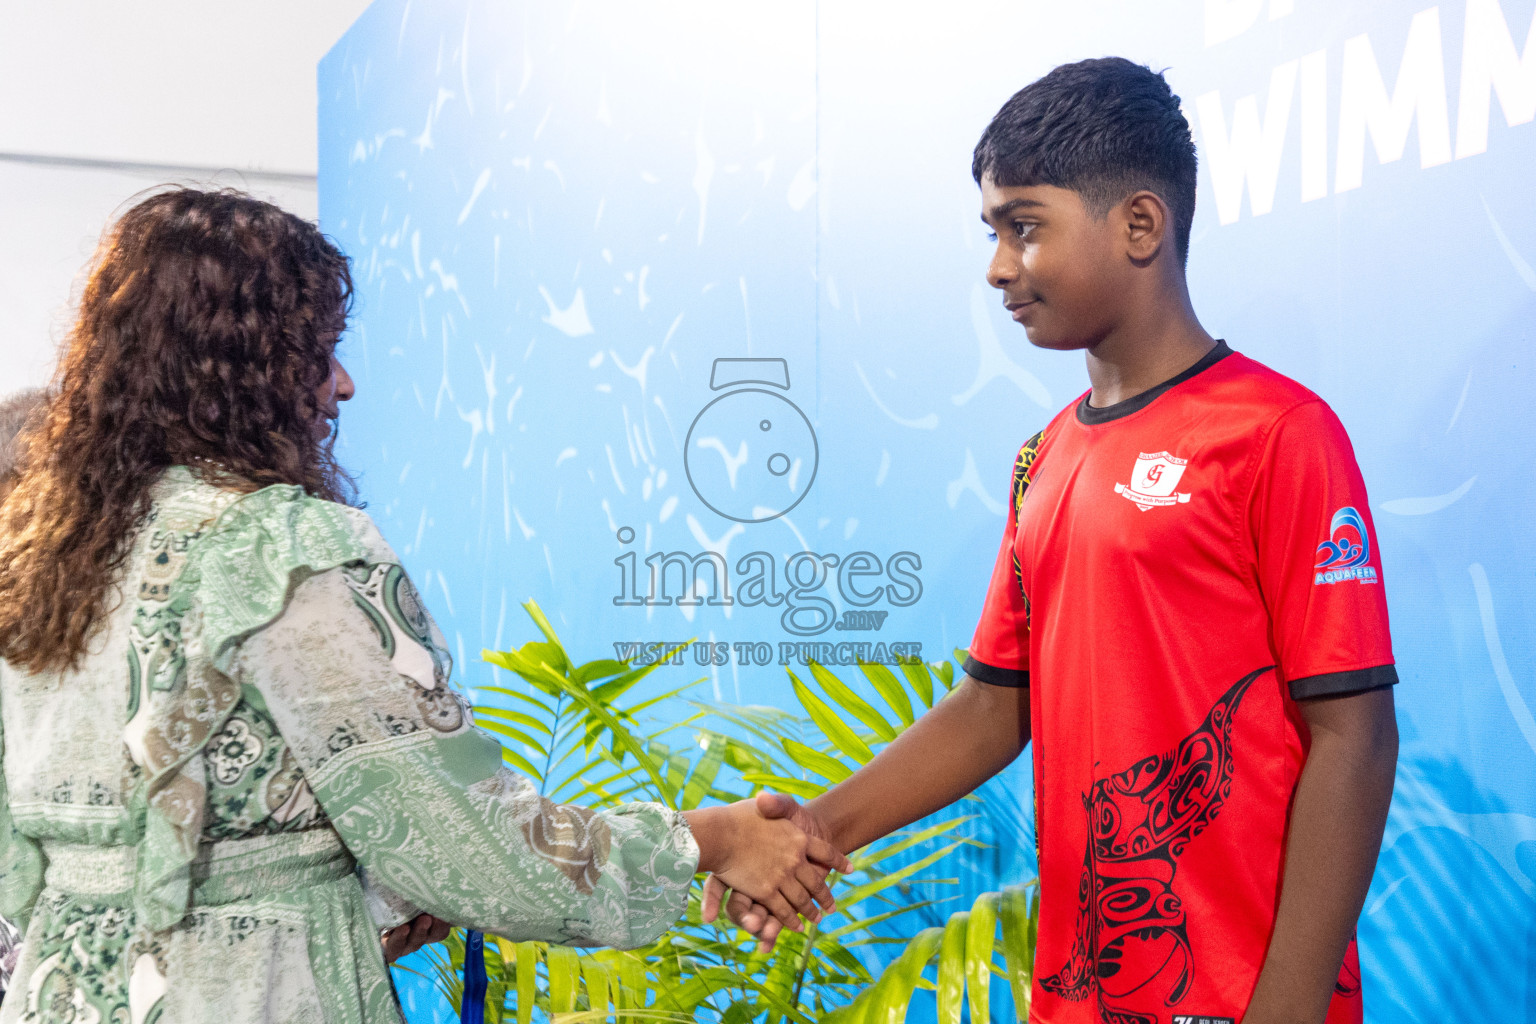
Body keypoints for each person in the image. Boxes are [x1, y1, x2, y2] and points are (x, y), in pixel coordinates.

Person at [0, 188, 848, 1023]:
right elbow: (471, 847)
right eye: (319, 350)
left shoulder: (45, 553)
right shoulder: (276, 550)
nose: (342, 384)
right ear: (246, 366)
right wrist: (713, 839)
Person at [705, 58, 1398, 1024]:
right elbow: (993, 710)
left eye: (1023, 227)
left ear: (1140, 226)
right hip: (1080, 997)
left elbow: (1354, 738)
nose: (997, 266)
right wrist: (816, 829)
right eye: (991, 231)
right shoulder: (1044, 459)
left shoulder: (1278, 434)